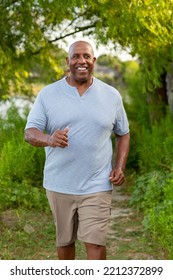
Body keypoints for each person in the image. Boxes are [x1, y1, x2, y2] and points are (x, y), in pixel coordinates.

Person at [24, 40, 130, 260]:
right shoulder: (48, 94)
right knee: (65, 243)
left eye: (86, 56)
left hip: (97, 184)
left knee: (96, 244)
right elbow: (30, 133)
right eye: (76, 56)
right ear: (68, 61)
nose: (81, 61)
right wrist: (50, 139)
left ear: (93, 61)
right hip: (59, 184)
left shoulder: (111, 95)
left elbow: (123, 133)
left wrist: (119, 166)